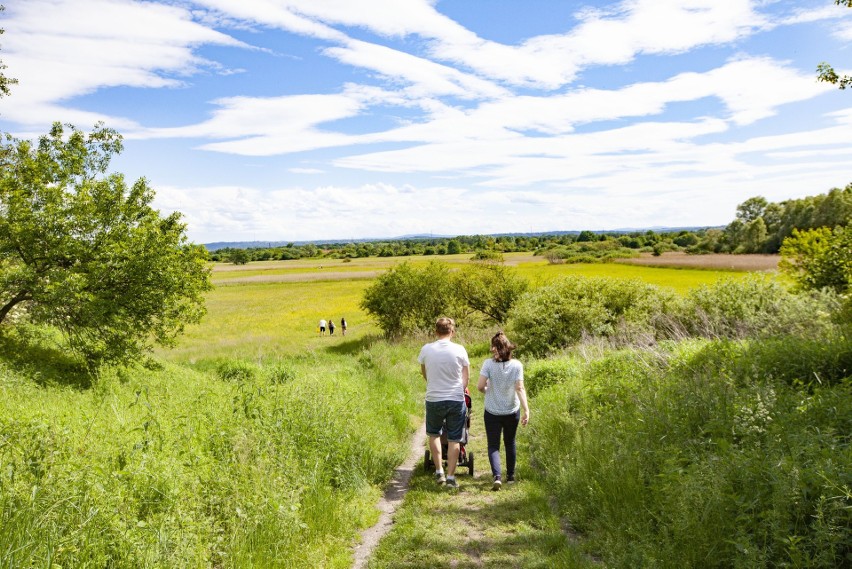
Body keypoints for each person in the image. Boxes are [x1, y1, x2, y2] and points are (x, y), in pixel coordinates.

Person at [418, 317, 469, 489]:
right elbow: (465, 378)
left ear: (435, 331)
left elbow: (425, 374)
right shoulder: (460, 349)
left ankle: (439, 470)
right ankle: (451, 477)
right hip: (455, 398)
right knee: (455, 437)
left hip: (434, 398)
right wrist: (458, 390)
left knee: (434, 434)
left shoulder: (426, 349)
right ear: (452, 331)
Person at [477, 331, 529, 491]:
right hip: (511, 410)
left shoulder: (488, 364)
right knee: (510, 442)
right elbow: (519, 388)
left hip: (492, 410)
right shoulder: (517, 365)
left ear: (494, 348)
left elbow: (480, 386)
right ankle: (511, 477)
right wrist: (526, 410)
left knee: (493, 445)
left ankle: (497, 477)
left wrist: (488, 390)